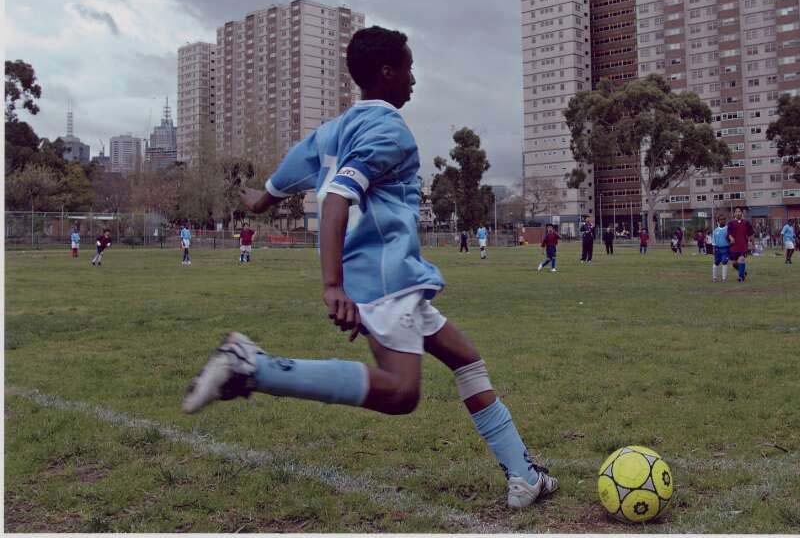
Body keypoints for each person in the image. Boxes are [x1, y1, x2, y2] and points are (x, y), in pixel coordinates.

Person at [182, 26, 557, 509]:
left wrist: (259, 201)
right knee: (401, 393)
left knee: (466, 359)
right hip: (383, 277)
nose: (414, 78)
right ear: (387, 72)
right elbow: (337, 196)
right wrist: (332, 284)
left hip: (394, 277)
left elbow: (286, 177)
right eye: (408, 67)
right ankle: (254, 368)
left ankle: (524, 475)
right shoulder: (389, 130)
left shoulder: (332, 132)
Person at [726, 208, 754, 283]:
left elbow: (751, 234)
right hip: (734, 247)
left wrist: (752, 244)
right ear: (734, 214)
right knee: (734, 264)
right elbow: (728, 233)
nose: (738, 213)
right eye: (736, 212)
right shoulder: (731, 223)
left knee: (741, 260)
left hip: (743, 246)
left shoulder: (746, 222)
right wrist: (731, 238)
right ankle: (743, 271)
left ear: (742, 213)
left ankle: (741, 277)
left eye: (739, 212)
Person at [711, 215, 730, 282]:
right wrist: (713, 249)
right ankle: (714, 278)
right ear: (718, 221)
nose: (722, 221)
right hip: (717, 249)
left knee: (724, 262)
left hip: (726, 248)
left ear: (725, 220)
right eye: (720, 219)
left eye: (723, 219)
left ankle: (724, 278)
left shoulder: (728, 229)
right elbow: (713, 240)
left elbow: (731, 239)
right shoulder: (715, 230)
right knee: (716, 263)